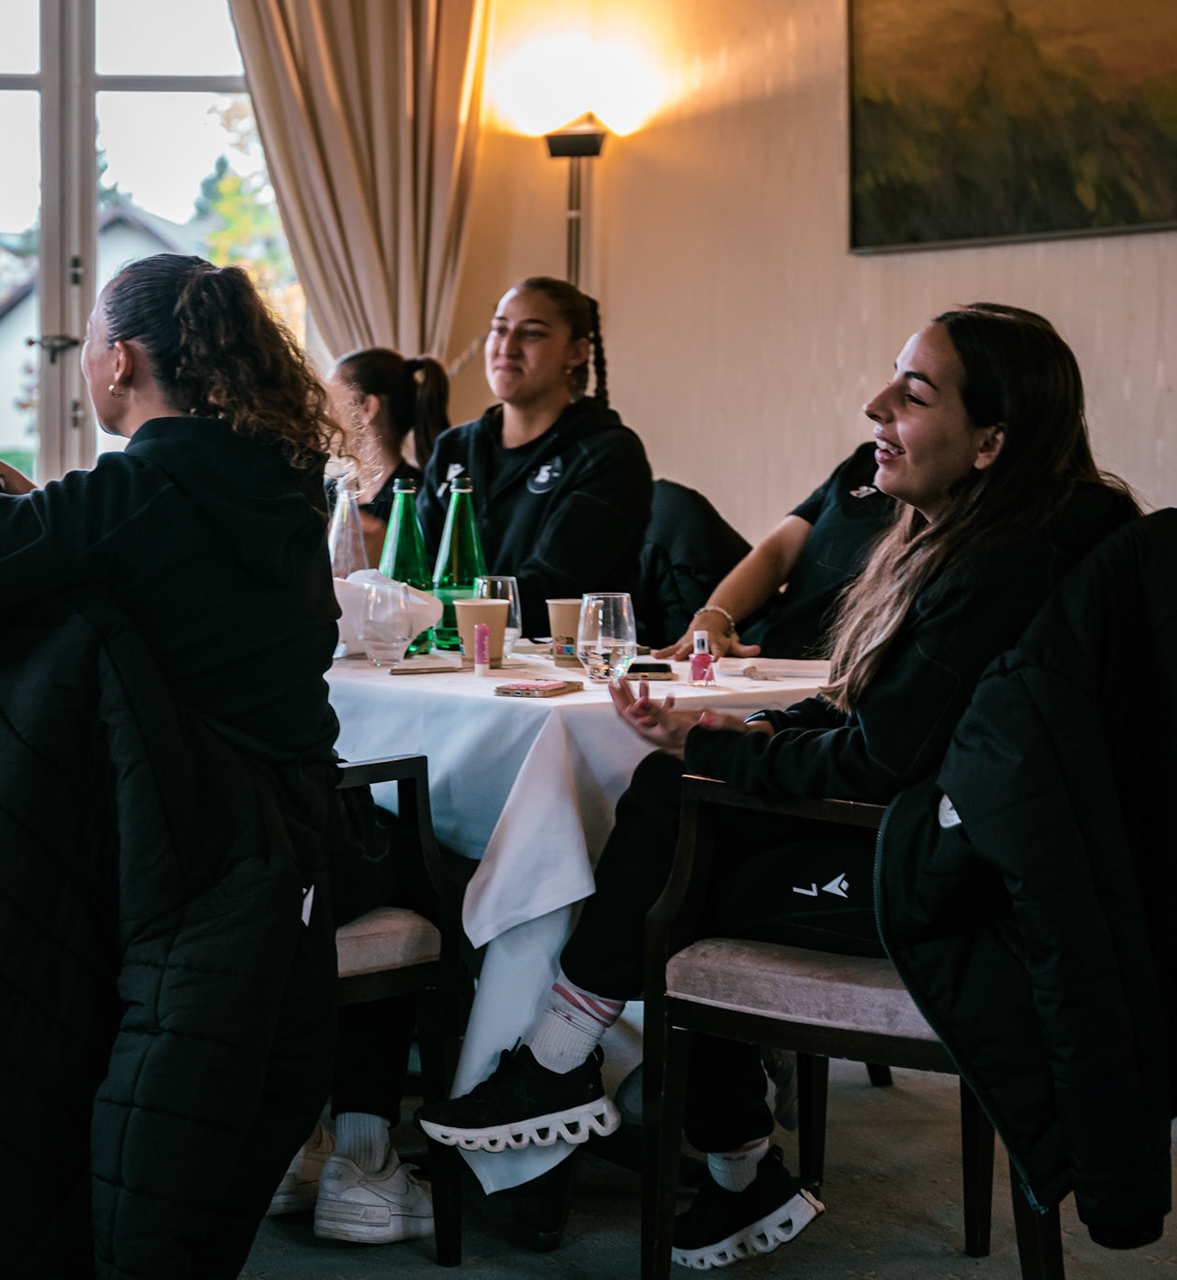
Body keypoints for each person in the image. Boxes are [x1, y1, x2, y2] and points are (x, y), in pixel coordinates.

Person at [413, 304, 1138, 1268]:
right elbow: (874, 720)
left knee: (680, 854)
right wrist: (733, 732)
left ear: (991, 443)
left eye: (913, 395)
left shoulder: (1003, 570)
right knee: (680, 808)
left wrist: (715, 752)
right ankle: (721, 1164)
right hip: (961, 840)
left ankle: (566, 1069)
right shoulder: (1007, 536)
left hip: (972, 890)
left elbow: (878, 762)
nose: (874, 404)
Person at [0, 253, 421, 1256]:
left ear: (116, 363)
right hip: (294, 855)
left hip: (179, 858)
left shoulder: (134, 496)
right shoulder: (281, 489)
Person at [418, 277, 651, 608]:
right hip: (451, 652)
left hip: (564, 655)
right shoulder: (454, 447)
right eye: (499, 329)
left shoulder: (607, 454)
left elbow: (551, 592)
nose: (507, 347)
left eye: (532, 333)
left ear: (575, 353)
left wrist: (432, 604)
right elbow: (417, 570)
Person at [652, 441, 898, 660]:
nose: (874, 409)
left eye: (913, 398)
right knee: (670, 504)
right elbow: (778, 552)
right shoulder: (865, 462)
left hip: (829, 662)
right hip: (767, 641)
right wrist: (712, 619)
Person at [328, 349, 450, 563]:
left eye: (334, 399)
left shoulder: (421, 500)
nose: (326, 413)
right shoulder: (327, 493)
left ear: (368, 407)